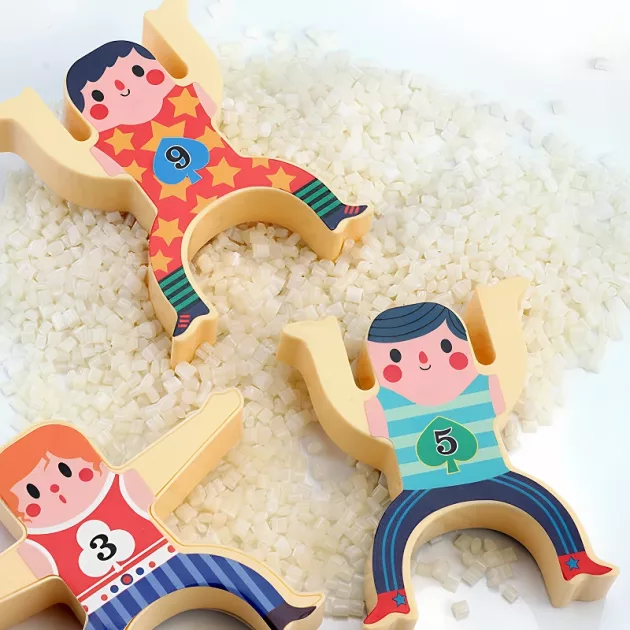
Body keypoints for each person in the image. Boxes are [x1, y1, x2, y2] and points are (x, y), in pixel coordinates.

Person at [65, 40, 368, 339]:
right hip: (173, 209)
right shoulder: (109, 143)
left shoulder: (185, 95)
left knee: (282, 175)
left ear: (163, 74)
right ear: (91, 118)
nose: (124, 90)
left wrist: (173, 29)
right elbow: (82, 163)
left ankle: (333, 213)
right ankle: (187, 311)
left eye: (137, 72)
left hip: (233, 172)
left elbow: (199, 69)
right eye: (100, 96)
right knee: (164, 252)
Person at [362, 302, 613, 625]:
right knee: (393, 531)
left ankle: (575, 562)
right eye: (397, 357)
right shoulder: (382, 406)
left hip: (492, 474)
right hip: (420, 487)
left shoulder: (482, 385)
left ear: (466, 353)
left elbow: (508, 361)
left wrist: (502, 304)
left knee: (543, 503)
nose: (424, 361)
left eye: (445, 347)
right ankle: (391, 600)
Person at [0, 424, 319, 630]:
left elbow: (175, 452)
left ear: (95, 466)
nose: (55, 488)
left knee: (224, 569)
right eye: (34, 492)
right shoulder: (37, 547)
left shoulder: (124, 486)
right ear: (21, 511)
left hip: (167, 562)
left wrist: (213, 417)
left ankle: (282, 608)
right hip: (105, 604)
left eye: (66, 471)